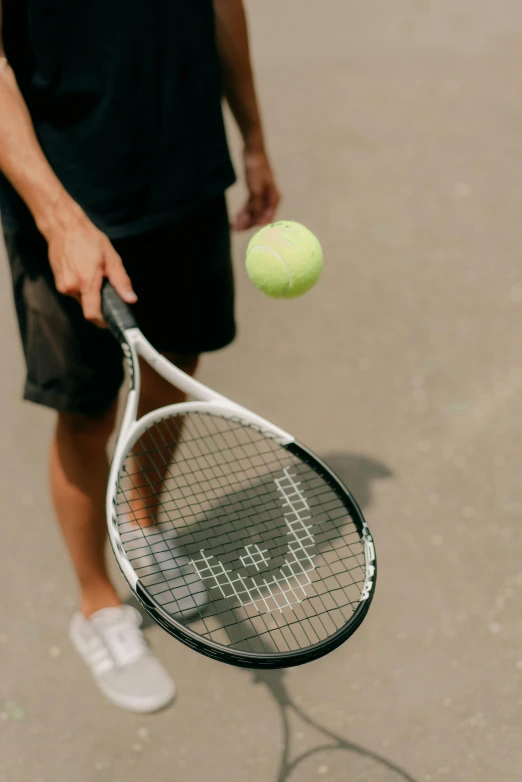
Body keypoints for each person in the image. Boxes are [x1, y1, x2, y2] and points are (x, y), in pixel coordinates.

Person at [0, 0, 280, 713]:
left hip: (186, 170)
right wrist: (59, 220)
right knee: (88, 413)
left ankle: (145, 524)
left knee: (172, 373)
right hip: (71, 197)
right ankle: (97, 604)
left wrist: (251, 135)